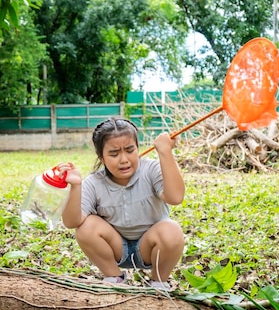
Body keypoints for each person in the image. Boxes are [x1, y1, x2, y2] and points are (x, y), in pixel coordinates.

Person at [58, 117, 185, 290]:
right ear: (101, 158)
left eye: (130, 150)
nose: (124, 159)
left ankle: (158, 282)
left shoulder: (151, 170)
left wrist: (165, 153)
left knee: (172, 230)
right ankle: (114, 277)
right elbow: (71, 222)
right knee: (85, 226)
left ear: (138, 149)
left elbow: (175, 197)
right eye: (114, 154)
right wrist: (75, 186)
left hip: (151, 247)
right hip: (116, 248)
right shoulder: (94, 182)